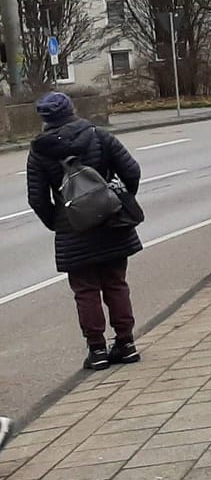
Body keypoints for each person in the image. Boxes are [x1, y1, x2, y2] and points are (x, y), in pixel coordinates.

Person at [26, 92, 146, 369]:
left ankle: (97, 351)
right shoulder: (99, 135)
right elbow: (132, 171)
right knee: (116, 282)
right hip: (112, 223)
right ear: (72, 110)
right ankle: (126, 344)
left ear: (45, 118)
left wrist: (59, 220)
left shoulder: (39, 151)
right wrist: (116, 202)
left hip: (73, 230)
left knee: (85, 290)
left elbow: (37, 198)